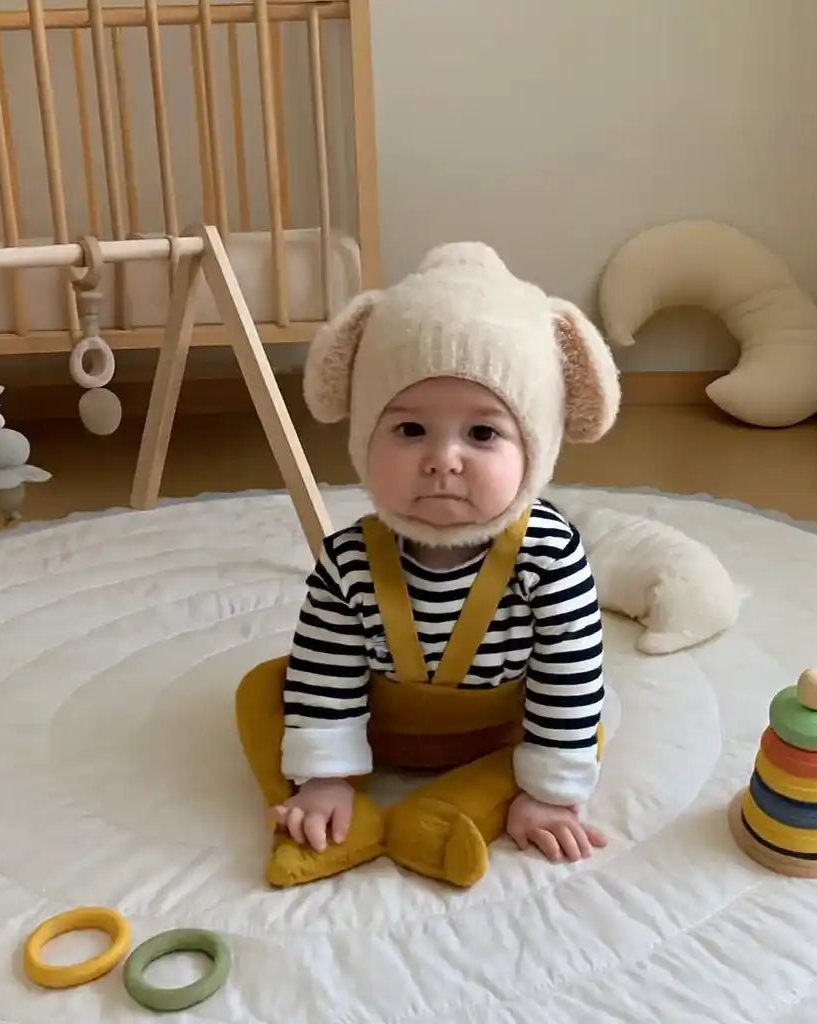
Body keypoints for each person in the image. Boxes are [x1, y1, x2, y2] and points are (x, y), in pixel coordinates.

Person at [235, 242, 621, 888]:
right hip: (379, 728)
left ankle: (454, 810)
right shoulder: (348, 558)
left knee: (585, 725)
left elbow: (566, 675)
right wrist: (324, 773)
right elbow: (326, 671)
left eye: (482, 434)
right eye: (410, 431)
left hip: (498, 733)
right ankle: (333, 810)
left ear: (537, 448)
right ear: (364, 439)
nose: (444, 459)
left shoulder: (549, 556)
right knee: (261, 693)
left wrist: (552, 789)